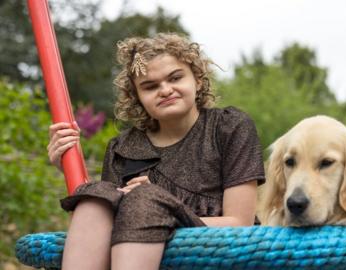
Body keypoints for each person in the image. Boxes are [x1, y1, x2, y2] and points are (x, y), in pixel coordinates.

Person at [47, 33, 265, 270]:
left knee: (144, 198)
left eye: (175, 78)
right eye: (150, 86)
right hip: (138, 251)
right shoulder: (123, 148)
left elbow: (239, 223)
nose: (165, 90)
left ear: (198, 80)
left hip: (216, 252)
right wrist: (69, 169)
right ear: (138, 98)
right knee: (95, 198)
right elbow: (104, 227)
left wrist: (158, 204)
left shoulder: (229, 127)